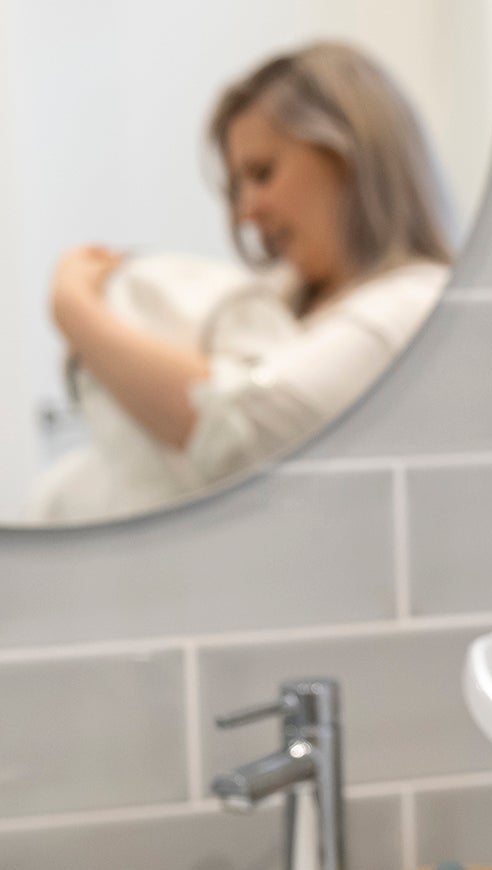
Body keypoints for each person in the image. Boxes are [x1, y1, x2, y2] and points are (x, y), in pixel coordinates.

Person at [36, 41, 451, 522]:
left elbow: (239, 432)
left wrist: (74, 309)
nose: (246, 211)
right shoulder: (275, 301)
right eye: (238, 186)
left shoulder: (416, 303)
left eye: (263, 173)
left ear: (346, 155)